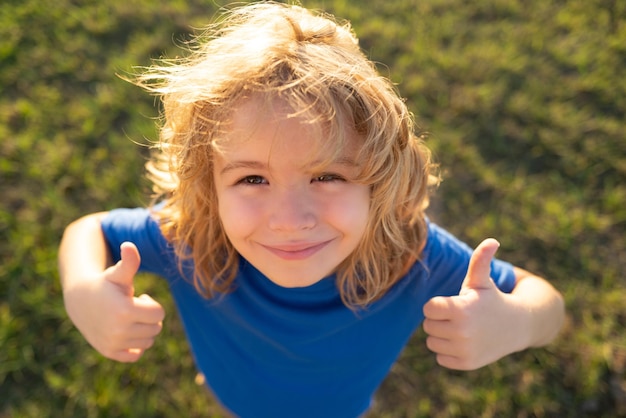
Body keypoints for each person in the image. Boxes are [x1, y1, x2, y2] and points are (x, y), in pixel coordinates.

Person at [58, 3, 565, 417]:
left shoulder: (410, 255)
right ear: (209, 186)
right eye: (252, 178)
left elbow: (547, 304)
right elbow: (89, 233)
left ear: (380, 178)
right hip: (229, 394)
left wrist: (516, 323)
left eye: (327, 176)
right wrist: (82, 290)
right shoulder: (189, 235)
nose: (290, 219)